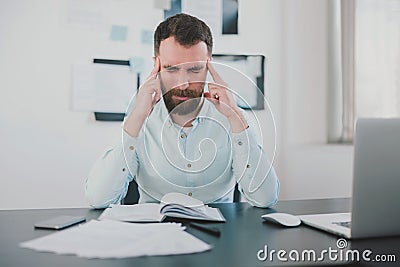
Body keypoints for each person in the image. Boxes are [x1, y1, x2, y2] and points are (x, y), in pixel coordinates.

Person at [85, 13, 279, 208]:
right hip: (155, 231)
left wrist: (235, 117)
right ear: (156, 65)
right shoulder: (139, 119)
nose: (183, 84)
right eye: (171, 69)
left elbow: (265, 199)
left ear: (209, 65)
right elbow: (98, 199)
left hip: (220, 233)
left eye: (194, 70)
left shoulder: (233, 118)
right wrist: (137, 118)